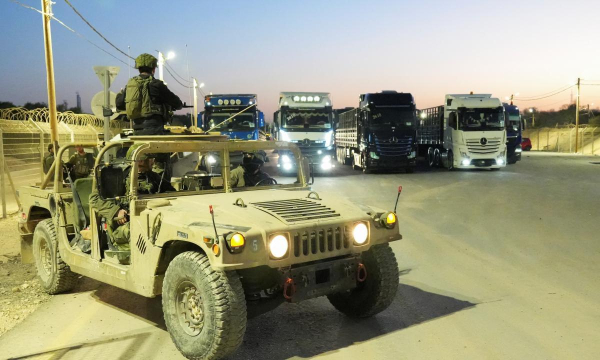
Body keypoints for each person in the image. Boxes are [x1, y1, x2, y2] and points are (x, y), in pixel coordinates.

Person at [89, 145, 175, 251]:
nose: (150, 162)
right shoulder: (118, 177)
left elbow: (173, 193)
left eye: (150, 159)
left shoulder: (153, 177)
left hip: (149, 219)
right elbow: (94, 199)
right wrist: (117, 212)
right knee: (141, 231)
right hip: (123, 226)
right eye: (148, 159)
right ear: (136, 161)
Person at [116, 53, 183, 135]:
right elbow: (177, 104)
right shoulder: (157, 85)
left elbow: (119, 104)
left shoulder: (131, 85)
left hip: (137, 131)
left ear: (138, 69)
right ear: (153, 69)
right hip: (155, 131)